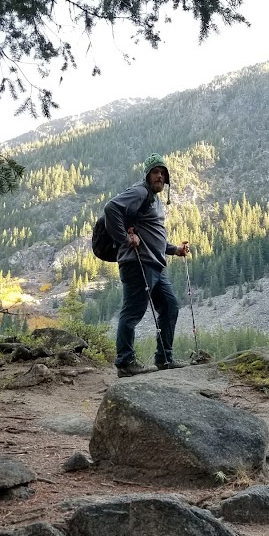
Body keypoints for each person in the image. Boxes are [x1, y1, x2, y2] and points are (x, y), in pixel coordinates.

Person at [104, 154, 190, 376]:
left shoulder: (155, 198)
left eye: (163, 173)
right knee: (132, 312)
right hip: (137, 263)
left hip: (155, 265)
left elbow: (153, 236)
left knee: (170, 306)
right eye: (155, 172)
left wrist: (174, 250)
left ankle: (164, 358)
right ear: (147, 175)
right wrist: (125, 238)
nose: (159, 176)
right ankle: (124, 363)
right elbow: (111, 208)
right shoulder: (140, 192)